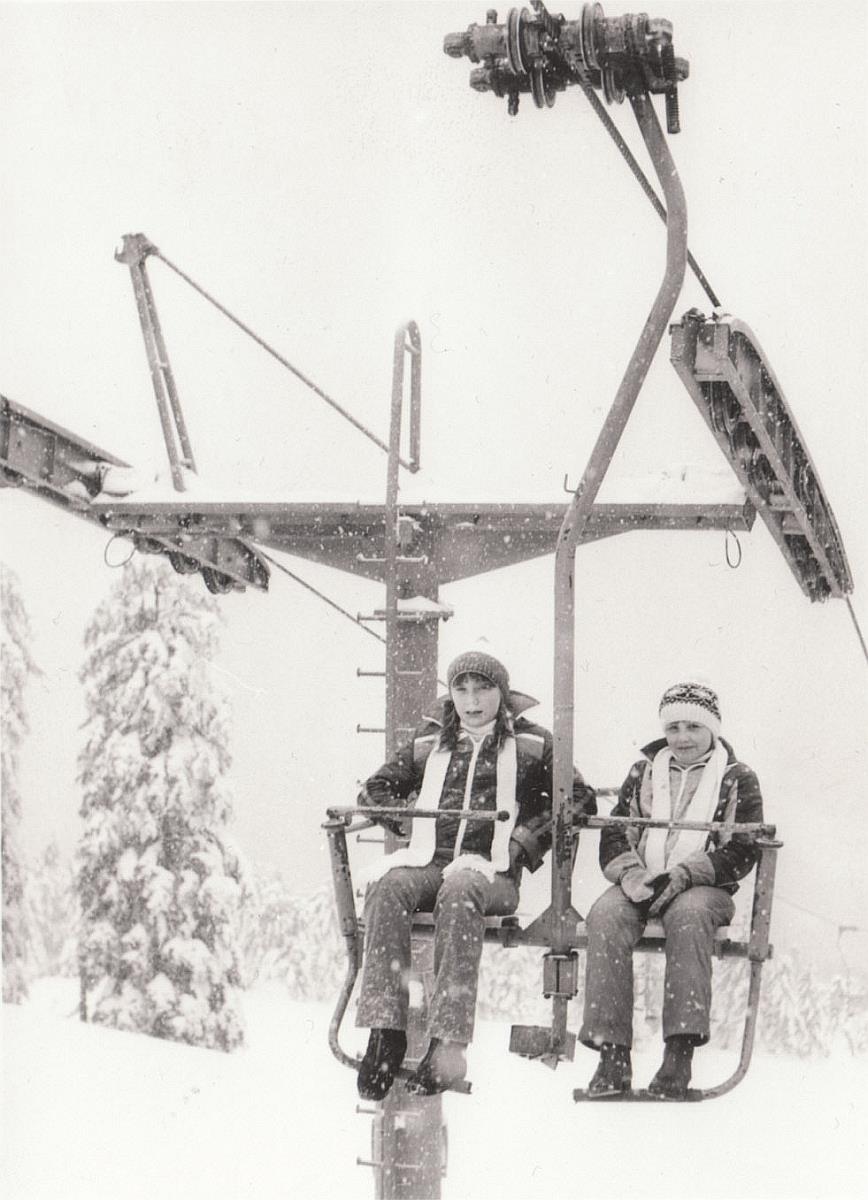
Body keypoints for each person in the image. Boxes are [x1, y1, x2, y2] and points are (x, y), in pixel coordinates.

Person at [355, 648, 596, 1099]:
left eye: (483, 689)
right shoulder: (430, 740)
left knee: (461, 888)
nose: (472, 701)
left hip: (491, 871)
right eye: (461, 690)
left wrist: (522, 842)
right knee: (387, 887)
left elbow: (578, 798)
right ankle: (385, 1030)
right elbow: (374, 790)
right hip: (431, 861)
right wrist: (410, 819)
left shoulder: (533, 742)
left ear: (501, 693)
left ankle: (449, 1043)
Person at [579, 679, 763, 1099]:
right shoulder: (644, 772)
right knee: (605, 916)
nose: (682, 738)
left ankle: (679, 1051)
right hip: (643, 876)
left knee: (689, 916)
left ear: (712, 729)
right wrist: (631, 874)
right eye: (673, 727)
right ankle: (612, 1053)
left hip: (704, 885)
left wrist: (685, 874)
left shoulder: (736, 778)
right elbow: (617, 831)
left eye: (693, 727)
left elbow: (742, 847)